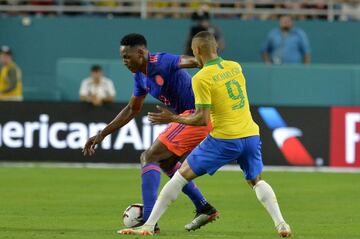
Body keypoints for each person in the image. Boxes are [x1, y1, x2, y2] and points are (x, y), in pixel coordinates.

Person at [119, 31, 291, 237]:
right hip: (251, 134)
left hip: (224, 138)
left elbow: (201, 119)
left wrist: (172, 118)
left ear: (197, 51)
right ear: (216, 48)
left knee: (178, 177)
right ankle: (281, 224)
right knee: (257, 181)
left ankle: (148, 225)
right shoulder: (235, 67)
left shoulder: (201, 78)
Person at [82, 33, 218, 233]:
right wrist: (102, 134)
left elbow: (197, 61)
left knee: (149, 156)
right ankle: (204, 207)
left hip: (199, 115)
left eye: (127, 57)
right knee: (166, 162)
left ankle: (148, 222)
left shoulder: (162, 61)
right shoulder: (140, 77)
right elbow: (131, 109)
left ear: (140, 52)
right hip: (188, 117)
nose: (124, 62)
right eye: (122, 58)